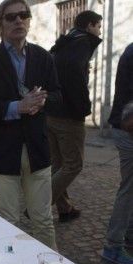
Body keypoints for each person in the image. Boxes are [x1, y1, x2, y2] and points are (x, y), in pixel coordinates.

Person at [0, 0, 61, 249]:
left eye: (23, 15)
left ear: (29, 20)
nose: (18, 21)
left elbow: (58, 96)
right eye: (11, 17)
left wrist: (42, 102)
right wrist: (16, 107)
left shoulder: (43, 57)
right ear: (1, 25)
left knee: (43, 220)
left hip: (37, 149)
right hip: (3, 152)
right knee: (9, 221)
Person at [47, 10, 102, 222]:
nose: (99, 30)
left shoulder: (67, 41)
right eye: (97, 26)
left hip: (52, 113)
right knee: (73, 165)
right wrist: (82, 108)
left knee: (58, 165)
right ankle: (39, 204)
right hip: (68, 115)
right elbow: (75, 77)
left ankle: (65, 208)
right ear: (89, 25)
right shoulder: (81, 43)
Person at [102, 43, 133, 264]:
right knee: (129, 187)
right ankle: (113, 245)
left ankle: (128, 234)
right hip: (128, 128)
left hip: (125, 126)